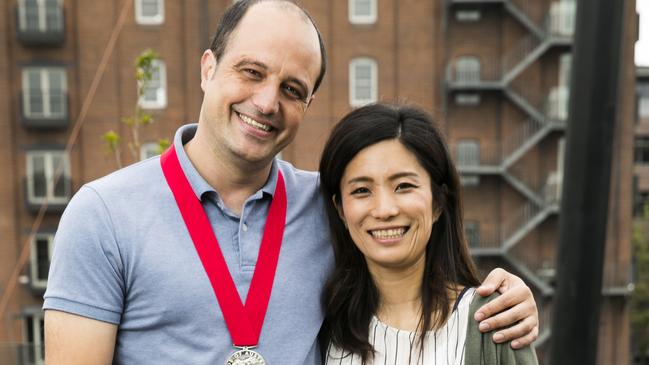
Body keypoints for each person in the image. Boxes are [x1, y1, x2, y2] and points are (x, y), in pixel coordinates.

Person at [44, 1, 538, 364]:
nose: (266, 102)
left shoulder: (329, 206)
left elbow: (407, 262)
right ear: (208, 67)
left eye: (292, 89)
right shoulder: (104, 214)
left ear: (306, 106)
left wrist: (505, 297)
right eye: (251, 72)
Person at [318, 103, 538, 364]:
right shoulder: (321, 327)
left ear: (437, 203)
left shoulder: (493, 321)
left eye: (403, 186)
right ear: (341, 210)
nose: (384, 210)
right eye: (361, 190)